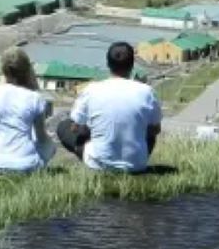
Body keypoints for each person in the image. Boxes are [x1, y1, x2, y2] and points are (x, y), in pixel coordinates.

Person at [58, 42, 162, 173]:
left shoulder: (92, 90)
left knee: (63, 127)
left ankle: (93, 158)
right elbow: (155, 130)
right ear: (132, 64)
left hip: (98, 163)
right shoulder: (147, 92)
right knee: (149, 130)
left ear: (107, 64)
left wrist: (89, 128)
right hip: (137, 164)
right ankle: (132, 157)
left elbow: (74, 127)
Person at [0, 47, 56, 173]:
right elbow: (42, 139)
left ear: (3, 69)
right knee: (49, 143)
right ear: (27, 70)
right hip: (27, 167)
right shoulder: (35, 98)